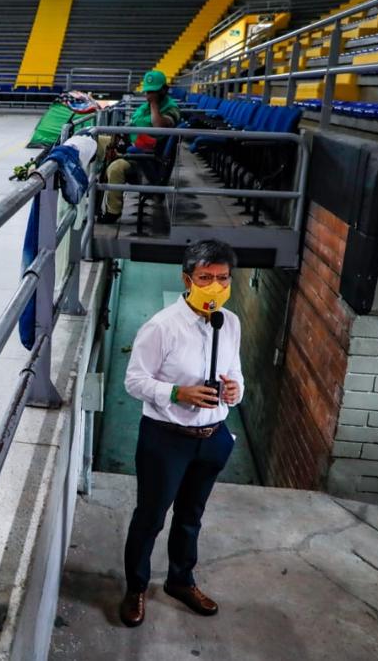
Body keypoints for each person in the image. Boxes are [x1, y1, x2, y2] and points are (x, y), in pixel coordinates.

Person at [118, 239, 244, 627]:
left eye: (222, 278)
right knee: (151, 516)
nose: (216, 286)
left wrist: (237, 391)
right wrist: (177, 392)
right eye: (206, 278)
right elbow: (133, 381)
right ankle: (136, 587)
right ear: (187, 278)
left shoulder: (231, 322)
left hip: (212, 437)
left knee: (191, 516)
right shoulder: (161, 327)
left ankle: (180, 580)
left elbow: (236, 372)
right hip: (166, 439)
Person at [97, 70, 181, 224]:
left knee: (115, 168)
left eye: (153, 91)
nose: (149, 95)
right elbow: (133, 125)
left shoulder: (171, 109)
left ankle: (112, 211)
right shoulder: (144, 107)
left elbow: (158, 126)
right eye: (148, 91)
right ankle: (93, 184)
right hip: (130, 145)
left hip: (144, 158)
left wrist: (154, 103)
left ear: (164, 90)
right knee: (93, 140)